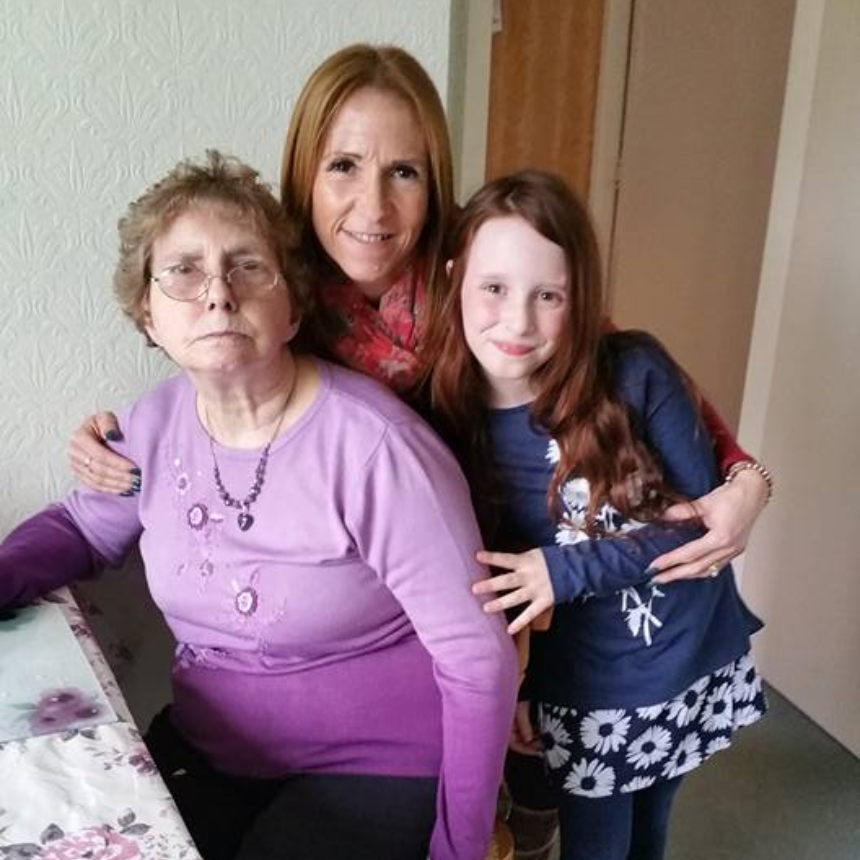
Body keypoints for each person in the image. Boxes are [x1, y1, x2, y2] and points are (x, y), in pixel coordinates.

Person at [66, 44, 771, 592]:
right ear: (303, 171)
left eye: (403, 172)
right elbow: (210, 370)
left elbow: (612, 357)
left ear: (434, 182)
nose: (373, 208)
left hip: (533, 563)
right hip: (353, 586)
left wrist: (742, 478)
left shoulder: (481, 272)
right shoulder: (274, 294)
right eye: (343, 165)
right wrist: (119, 437)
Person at [0, 151, 519, 860]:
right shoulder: (153, 424)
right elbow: (81, 530)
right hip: (217, 750)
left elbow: (476, 659)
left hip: (378, 765)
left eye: (248, 266)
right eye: (183, 270)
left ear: (293, 305)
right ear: (146, 313)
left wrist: (457, 849)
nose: (217, 292)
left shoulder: (377, 448)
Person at [423, 170, 769, 860]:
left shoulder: (635, 370)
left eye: (548, 295)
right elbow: (506, 583)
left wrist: (564, 568)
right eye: (494, 288)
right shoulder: (448, 420)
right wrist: (529, 687)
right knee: (596, 842)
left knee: (651, 828)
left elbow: (699, 523)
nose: (518, 322)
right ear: (457, 278)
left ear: (579, 299)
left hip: (682, 652)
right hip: (586, 682)